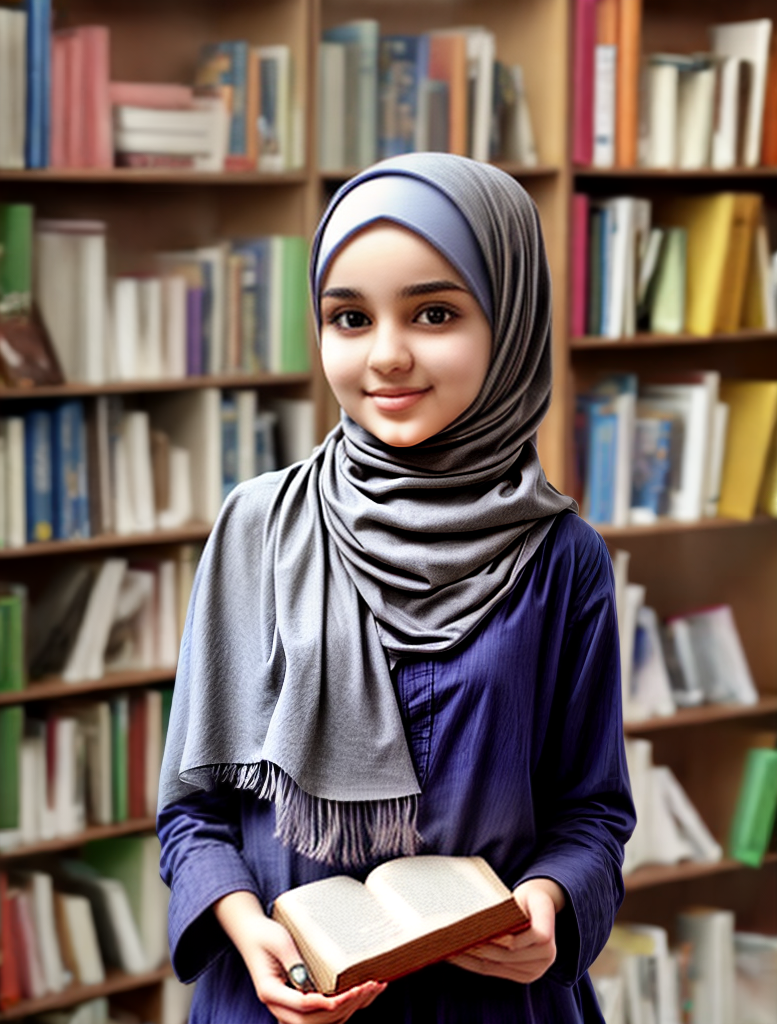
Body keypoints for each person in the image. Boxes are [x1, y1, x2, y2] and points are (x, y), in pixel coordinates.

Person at [157, 153, 635, 1023]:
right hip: (283, 994)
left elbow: (593, 810)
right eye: (349, 317)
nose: (386, 355)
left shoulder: (564, 557)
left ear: (512, 322)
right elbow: (193, 808)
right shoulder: (260, 527)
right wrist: (241, 924)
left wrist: (551, 904)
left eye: (436, 312)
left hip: (488, 1004)